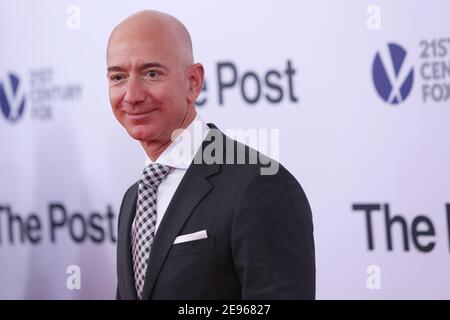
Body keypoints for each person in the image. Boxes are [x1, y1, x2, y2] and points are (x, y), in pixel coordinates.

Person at [107, 10, 315, 300]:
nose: (131, 95)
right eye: (118, 77)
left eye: (151, 73)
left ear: (193, 82)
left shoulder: (260, 185)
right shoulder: (134, 198)